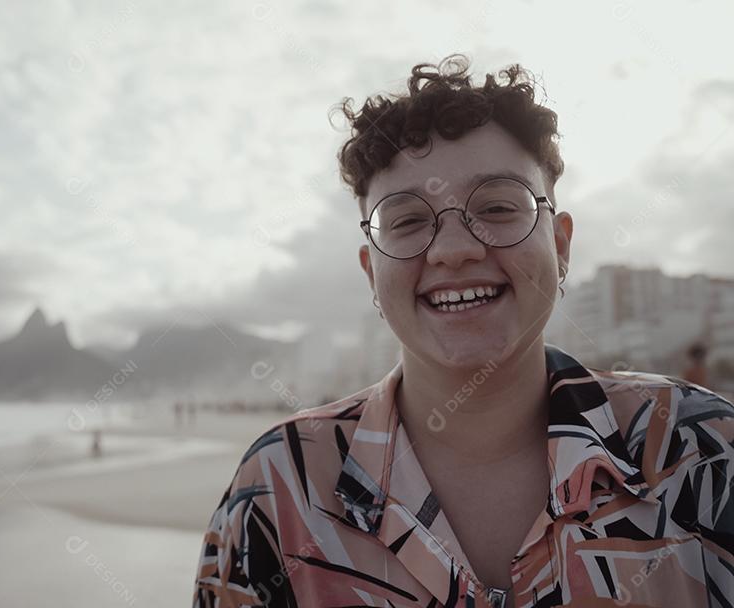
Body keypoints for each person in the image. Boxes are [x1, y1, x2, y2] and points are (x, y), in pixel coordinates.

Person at [192, 55, 734, 608]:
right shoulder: (281, 484)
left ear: (562, 246)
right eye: (405, 220)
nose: (454, 251)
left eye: (498, 207)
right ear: (370, 273)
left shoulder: (701, 448)